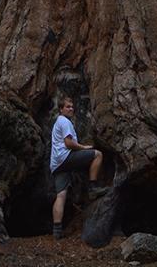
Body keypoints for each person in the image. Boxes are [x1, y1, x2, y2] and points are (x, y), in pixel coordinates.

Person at [50, 96, 104, 239]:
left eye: (72, 106)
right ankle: (93, 188)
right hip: (65, 157)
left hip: (57, 164)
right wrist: (83, 147)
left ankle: (56, 231)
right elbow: (68, 143)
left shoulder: (57, 123)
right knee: (97, 155)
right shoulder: (64, 121)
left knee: (61, 195)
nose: (71, 109)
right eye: (68, 106)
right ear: (61, 109)